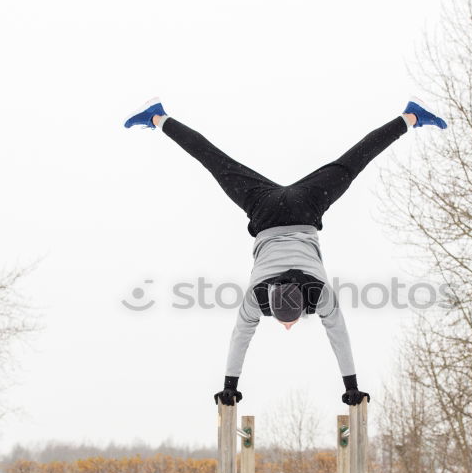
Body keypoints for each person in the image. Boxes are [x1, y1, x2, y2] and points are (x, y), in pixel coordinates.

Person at [124, 97, 446, 407]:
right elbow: (241, 336)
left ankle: (410, 117)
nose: (287, 326)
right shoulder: (258, 296)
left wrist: (352, 387)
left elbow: (336, 333)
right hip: (265, 209)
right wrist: (228, 387)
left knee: (351, 164)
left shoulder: (316, 295)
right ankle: (158, 117)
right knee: (216, 162)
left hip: (306, 206)